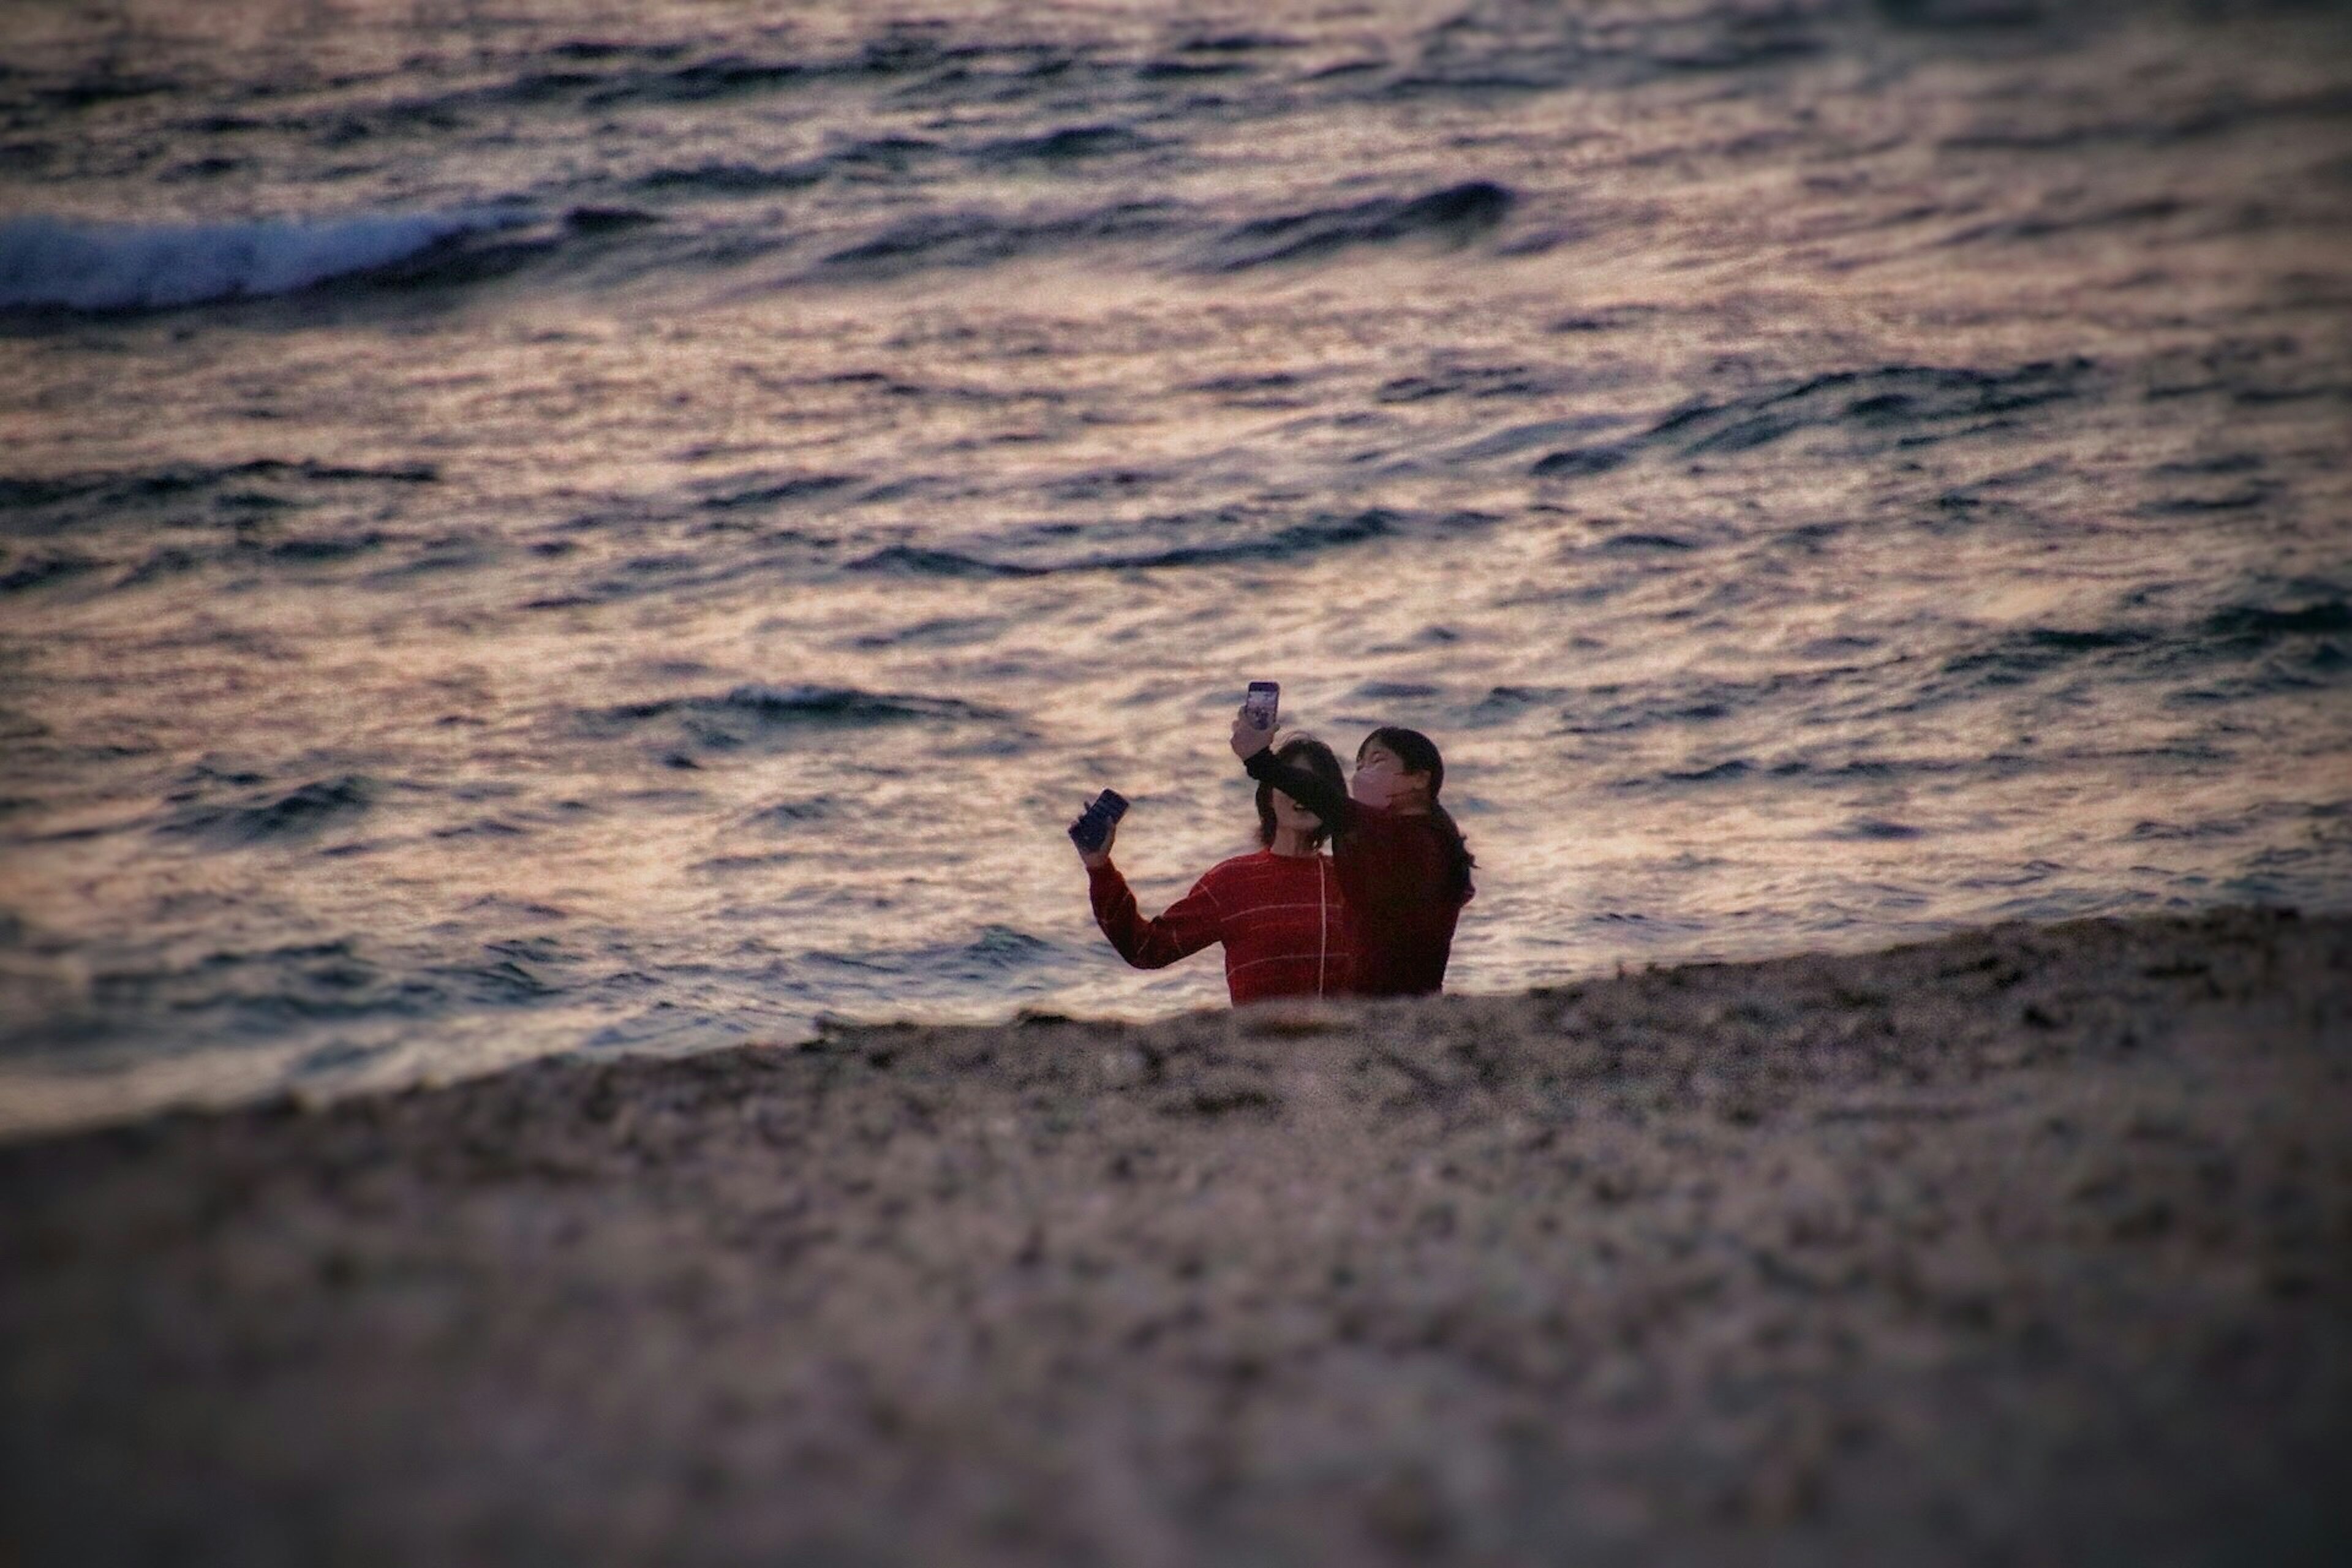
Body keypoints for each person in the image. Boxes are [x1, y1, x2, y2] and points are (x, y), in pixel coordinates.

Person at [1073, 735, 1353, 1004]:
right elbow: (1146, 949)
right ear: (1268, 795)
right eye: (1292, 781)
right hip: (1262, 1048)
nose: (1303, 793)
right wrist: (1100, 869)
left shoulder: (1354, 878)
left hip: (1346, 1046)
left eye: (1315, 784)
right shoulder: (1232, 882)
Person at [1231, 712, 1473, 997]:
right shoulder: (1439, 834)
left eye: (1377, 761)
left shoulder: (1403, 835)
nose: (1362, 773)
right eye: (1359, 765)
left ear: (1420, 778)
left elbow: (1324, 799)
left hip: (1384, 1003)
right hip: (1418, 1000)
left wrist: (1260, 760)